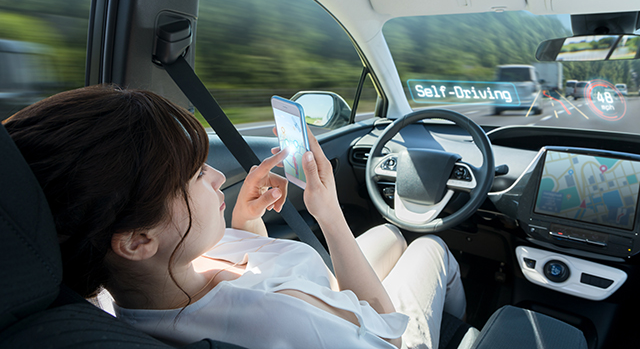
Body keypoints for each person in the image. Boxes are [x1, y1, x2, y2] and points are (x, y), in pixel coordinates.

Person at [3, 85, 472, 349]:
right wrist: (329, 217)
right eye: (191, 174)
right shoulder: (282, 323)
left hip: (327, 301)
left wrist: (248, 226)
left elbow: (252, 282)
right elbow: (384, 331)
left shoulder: (124, 289)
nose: (212, 177)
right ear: (137, 241)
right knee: (430, 246)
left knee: (389, 234)